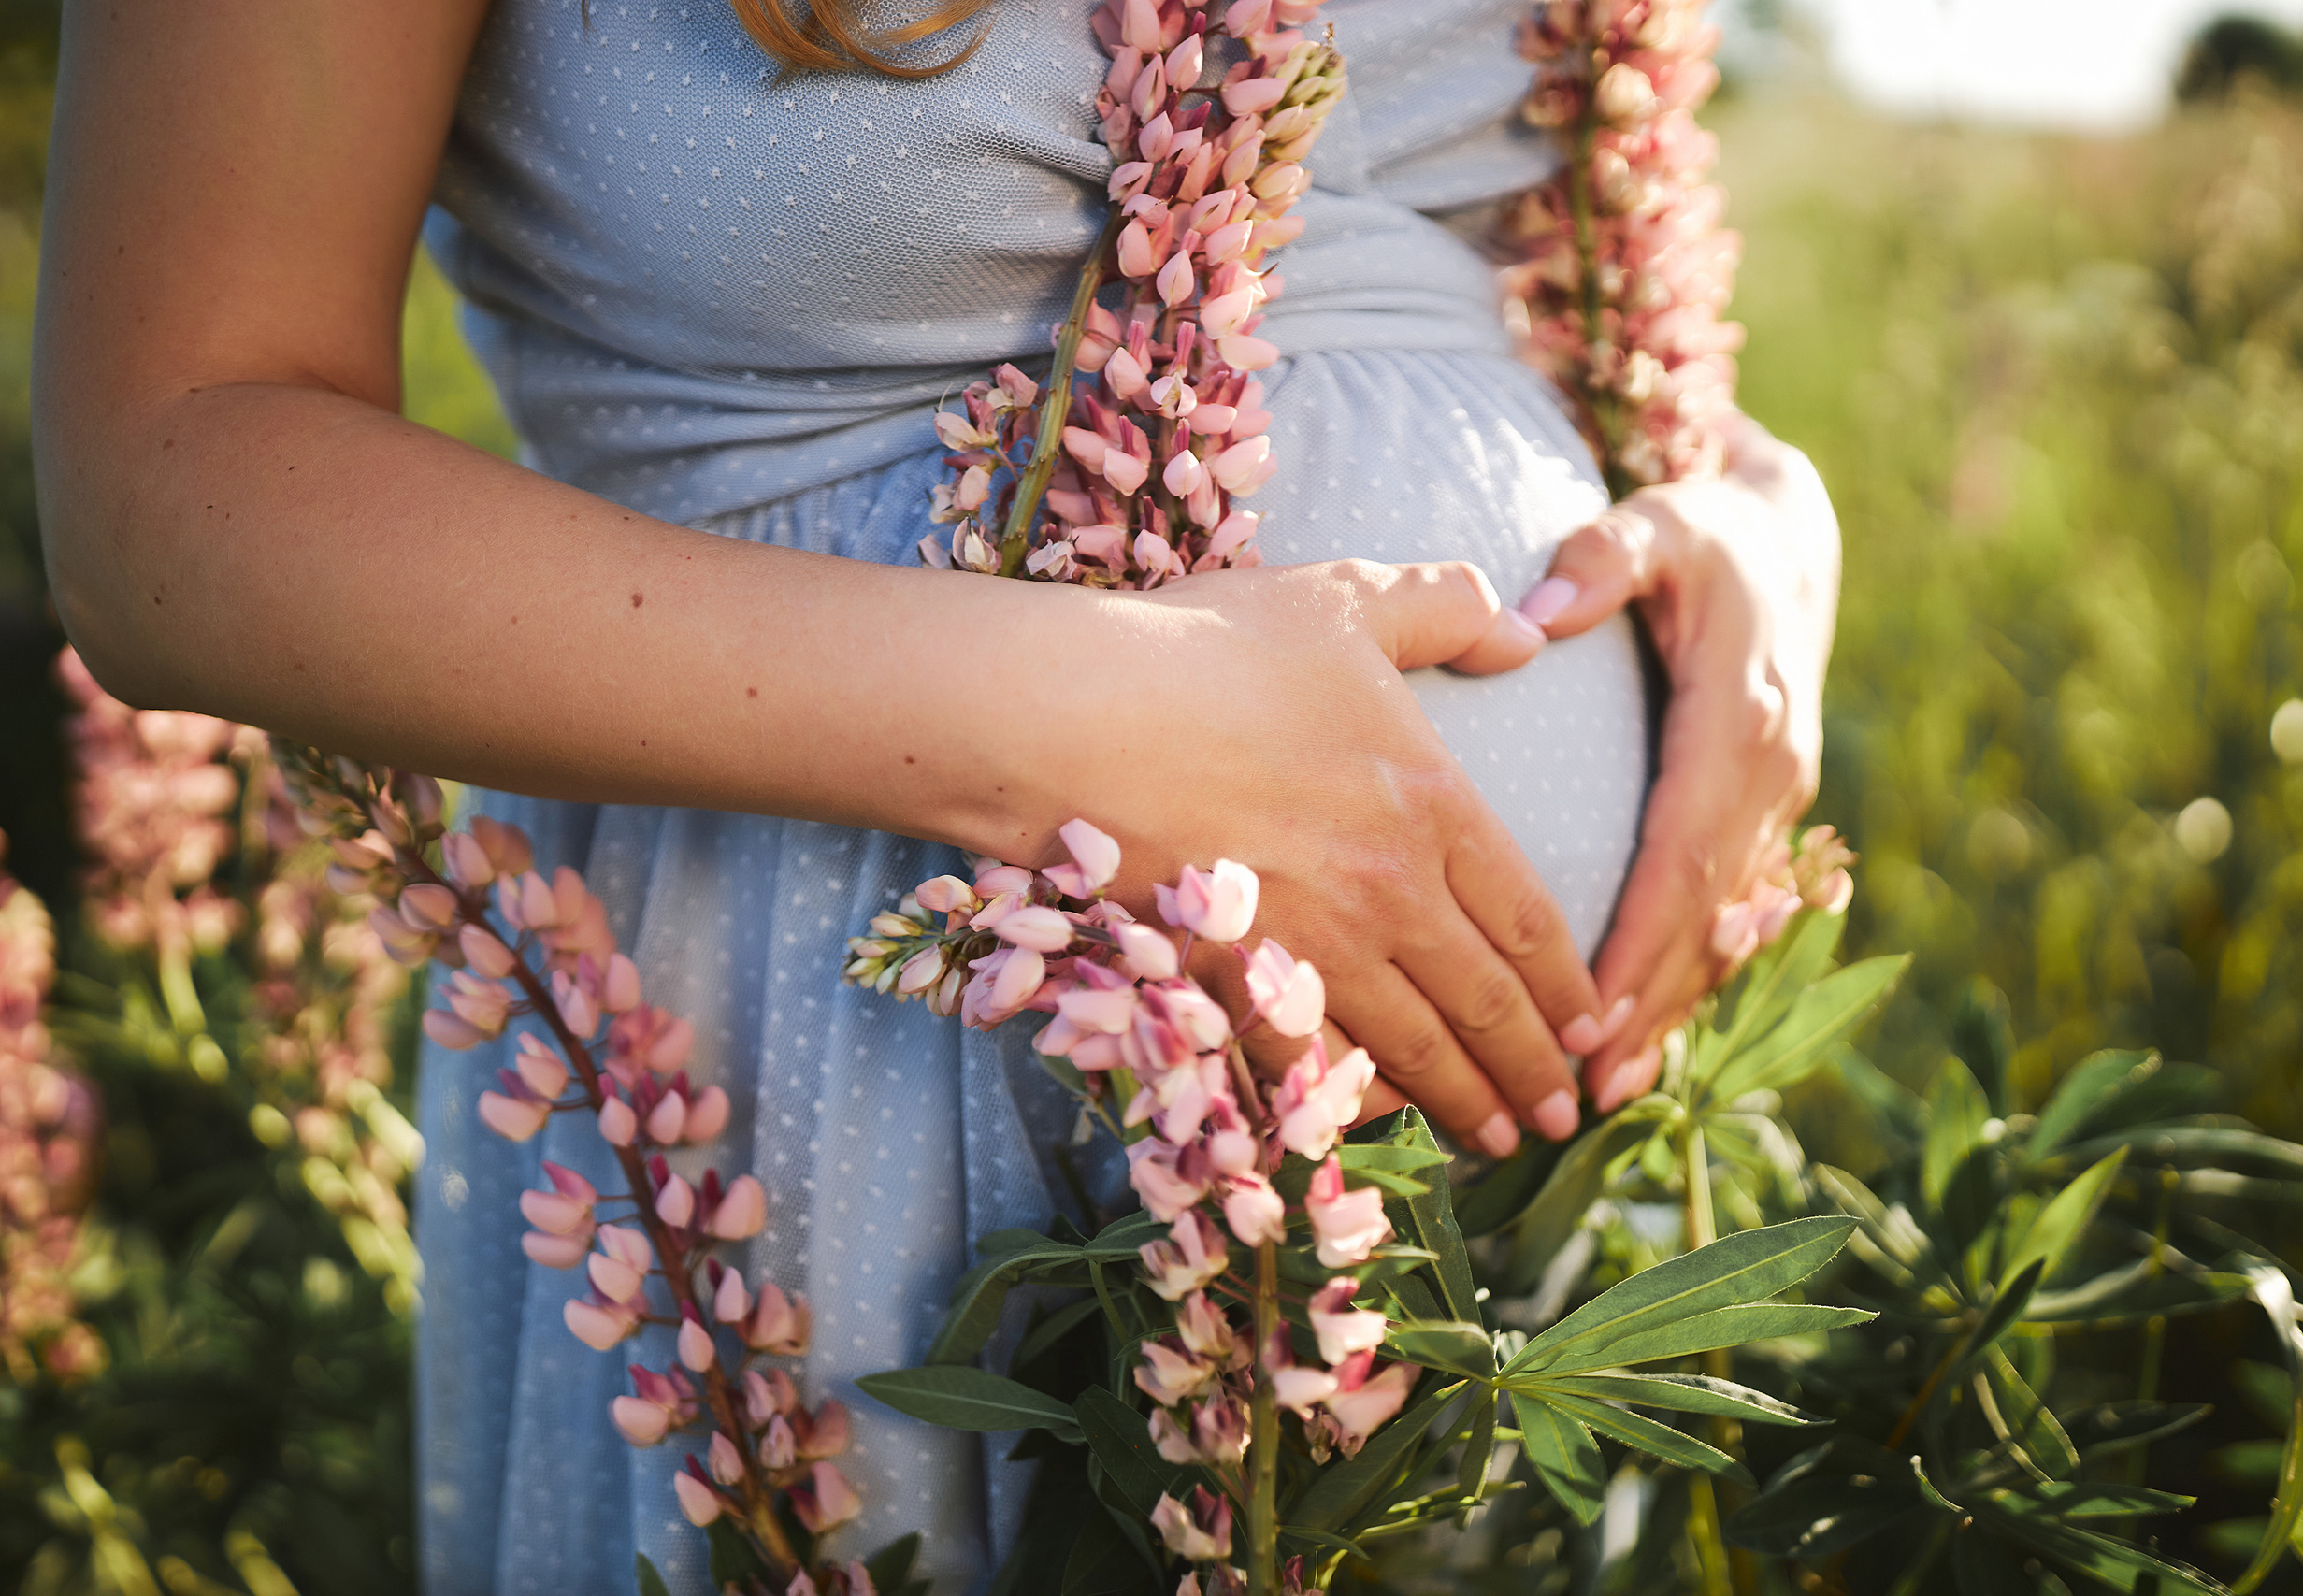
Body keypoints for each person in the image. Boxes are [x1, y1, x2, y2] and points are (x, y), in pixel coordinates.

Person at [33, 0, 1840, 1588]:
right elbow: (163, 478)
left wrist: (1764, 511)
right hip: (845, 1080)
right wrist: (1079, 717)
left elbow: (1487, 250)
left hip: (1563, 1184)